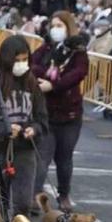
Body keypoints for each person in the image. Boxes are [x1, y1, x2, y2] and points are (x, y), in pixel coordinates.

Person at [0, 34, 51, 217]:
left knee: (23, 203)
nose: (21, 64)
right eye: (17, 60)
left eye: (25, 60)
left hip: (25, 149)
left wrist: (34, 128)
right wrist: (4, 130)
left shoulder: (31, 83)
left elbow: (42, 118)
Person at [35, 12, 89, 197]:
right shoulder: (46, 47)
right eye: (53, 25)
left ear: (68, 27)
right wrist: (46, 75)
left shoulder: (78, 52)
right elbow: (32, 64)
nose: (55, 29)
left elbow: (78, 73)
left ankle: (64, 194)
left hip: (69, 114)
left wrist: (53, 84)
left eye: (60, 25)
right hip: (47, 112)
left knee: (64, 159)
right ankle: (35, 194)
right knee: (42, 157)